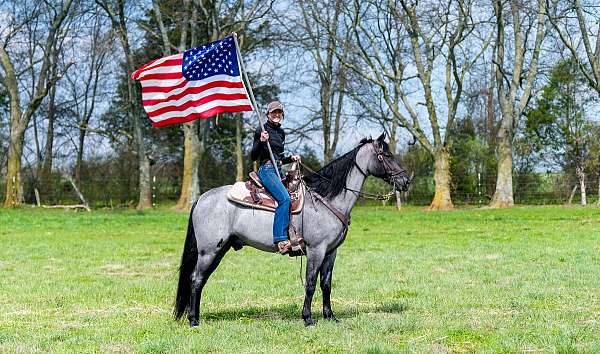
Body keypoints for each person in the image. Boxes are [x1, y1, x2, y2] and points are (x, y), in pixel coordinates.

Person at [250, 101, 301, 254]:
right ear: (268, 114)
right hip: (266, 170)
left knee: (294, 196)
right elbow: (253, 156)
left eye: (279, 112)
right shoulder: (262, 129)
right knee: (284, 199)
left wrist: (291, 158)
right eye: (274, 112)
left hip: (278, 169)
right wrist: (260, 141)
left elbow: (278, 158)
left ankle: (293, 232)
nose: (277, 115)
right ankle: (280, 239)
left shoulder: (281, 133)